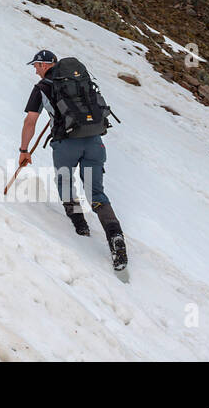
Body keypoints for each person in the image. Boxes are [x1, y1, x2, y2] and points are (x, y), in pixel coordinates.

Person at [18, 49, 128, 269]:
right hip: (94, 141)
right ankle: (115, 237)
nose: (35, 70)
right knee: (95, 192)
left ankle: (80, 226)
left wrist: (24, 150)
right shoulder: (80, 81)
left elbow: (30, 121)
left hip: (66, 145)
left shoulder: (42, 88)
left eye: (36, 66)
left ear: (44, 65)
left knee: (65, 182)